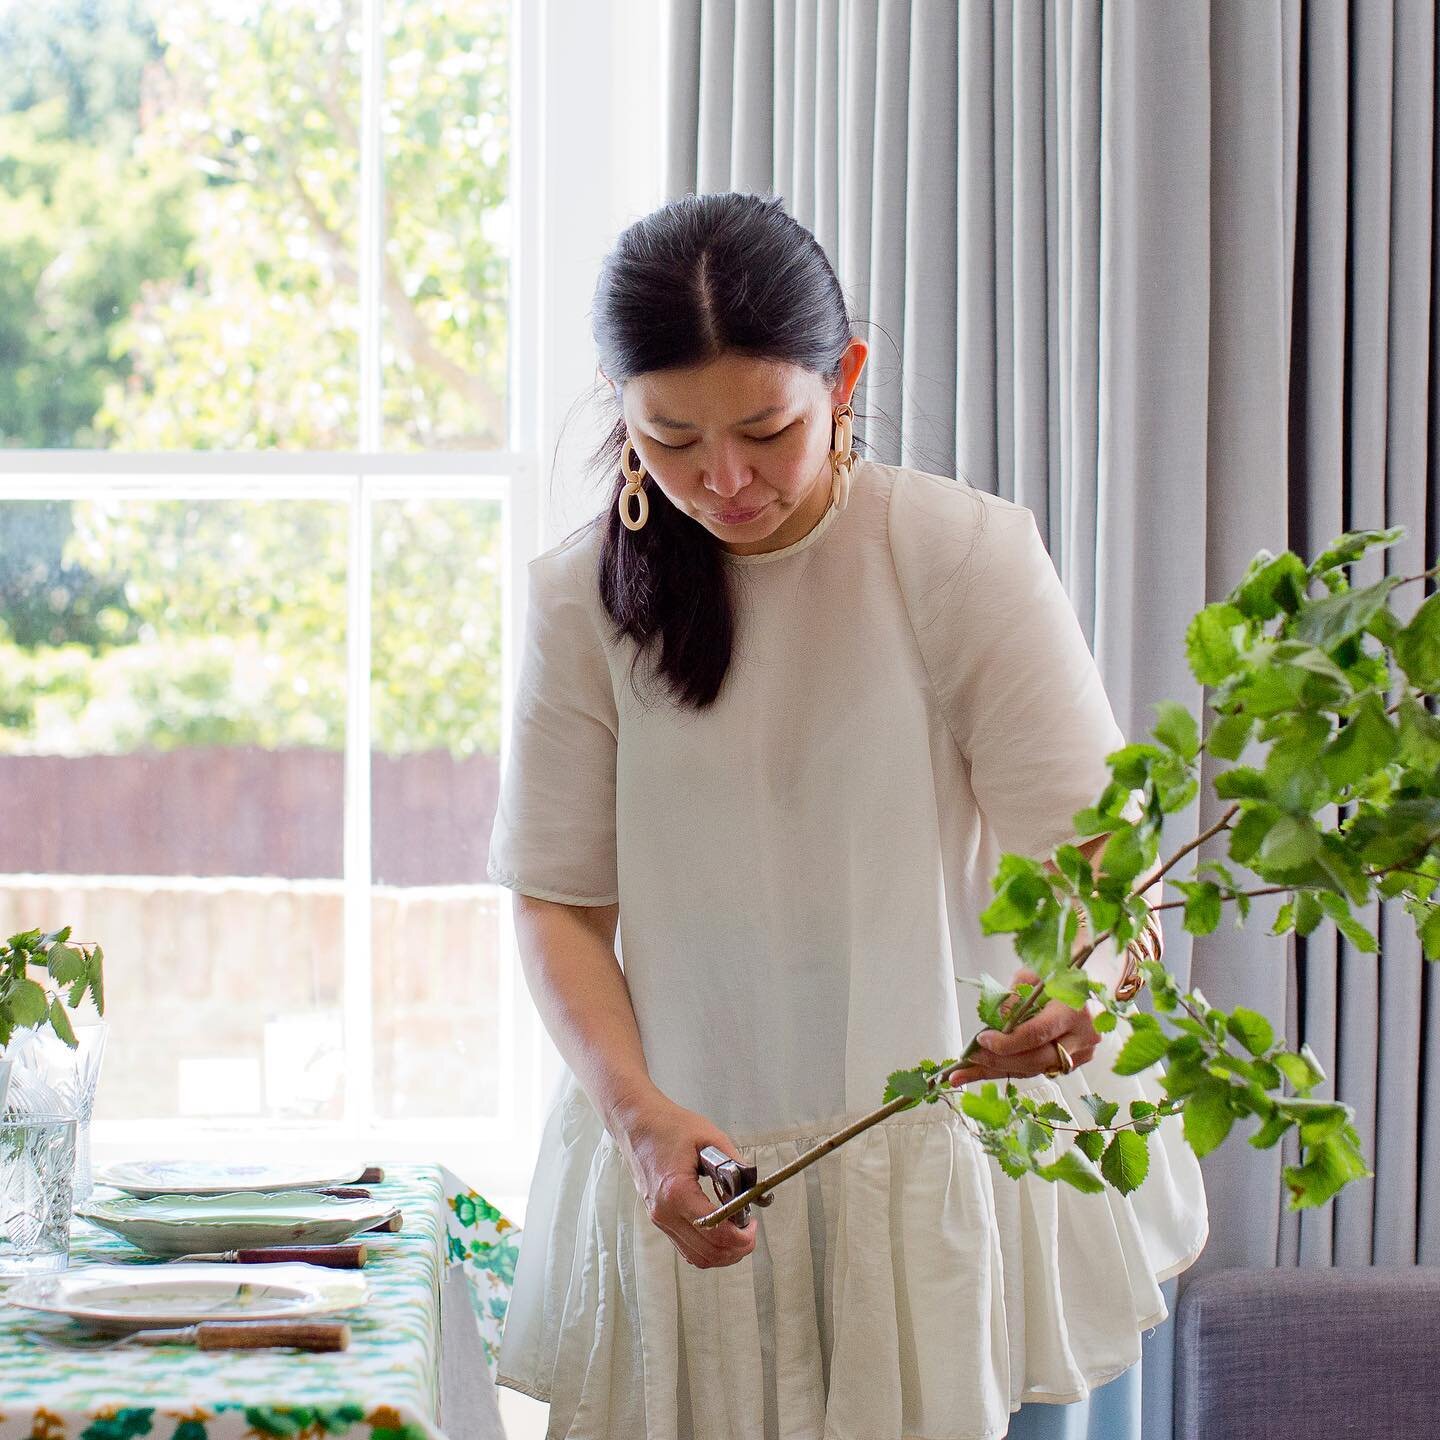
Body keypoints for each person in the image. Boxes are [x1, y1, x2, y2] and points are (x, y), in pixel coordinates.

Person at [486, 191, 1208, 1440]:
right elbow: (557, 901)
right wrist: (641, 1121)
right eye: (670, 439)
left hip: (956, 1175)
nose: (725, 480)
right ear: (624, 412)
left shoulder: (956, 556)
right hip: (698, 1181)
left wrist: (1083, 975)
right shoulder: (579, 602)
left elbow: (1101, 855)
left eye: (768, 429)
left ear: (846, 379)